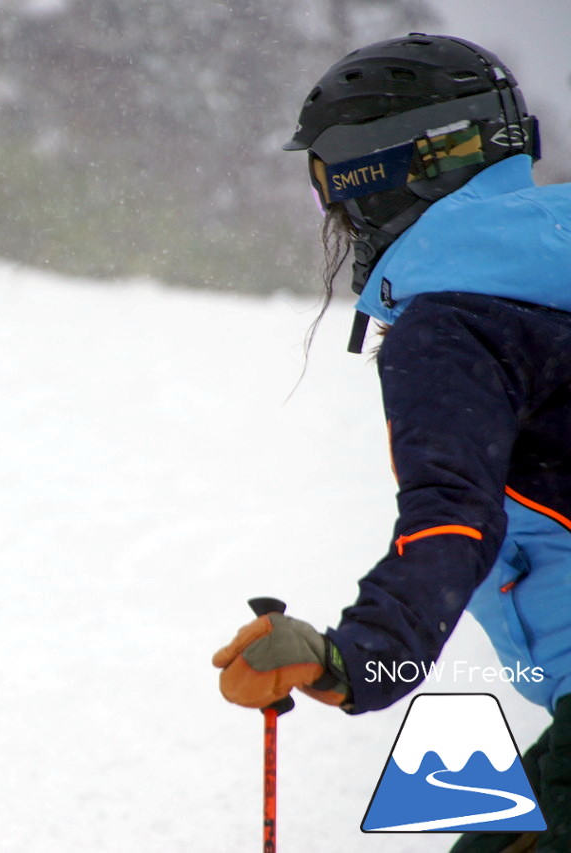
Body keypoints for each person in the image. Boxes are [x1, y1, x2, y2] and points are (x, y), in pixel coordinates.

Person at [210, 34, 571, 851]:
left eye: (324, 188)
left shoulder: (451, 324)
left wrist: (353, 660)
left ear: (375, 173)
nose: (330, 215)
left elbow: (454, 517)